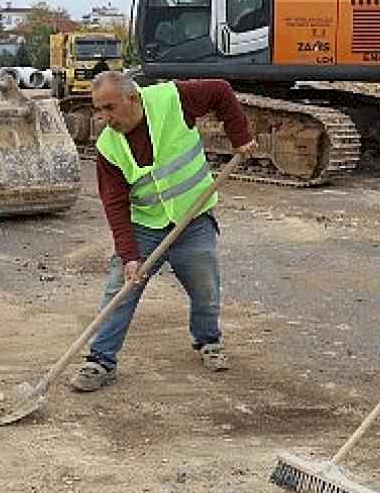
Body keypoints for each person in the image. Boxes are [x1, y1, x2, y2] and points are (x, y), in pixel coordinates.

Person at [72, 70, 256, 392]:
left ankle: (207, 341)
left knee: (205, 288)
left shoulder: (172, 99)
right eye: (98, 110)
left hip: (193, 218)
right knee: (120, 290)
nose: (104, 118)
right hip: (146, 226)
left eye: (109, 108)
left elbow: (221, 89)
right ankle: (100, 361)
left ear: (132, 97)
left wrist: (240, 135)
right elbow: (115, 206)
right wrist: (129, 256)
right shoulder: (107, 148)